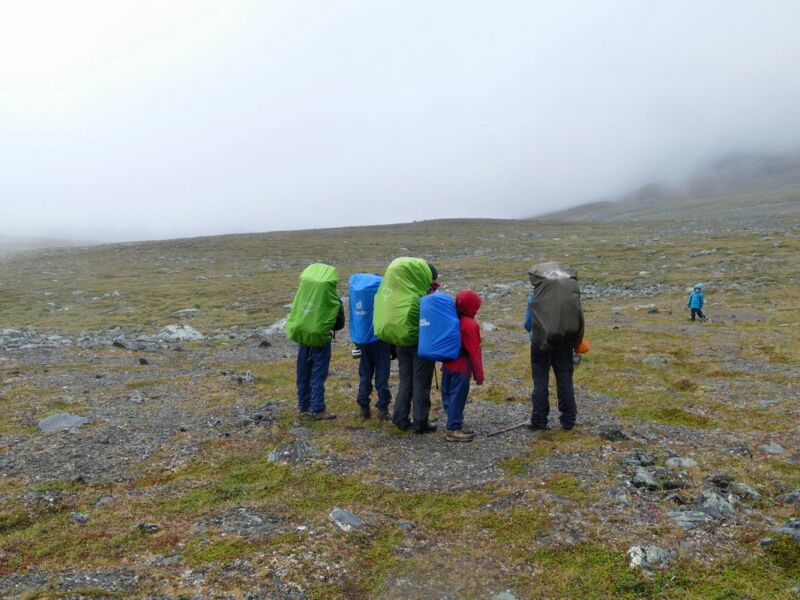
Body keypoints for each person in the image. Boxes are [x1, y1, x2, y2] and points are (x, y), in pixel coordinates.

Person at [393, 263, 439, 434]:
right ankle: (420, 423)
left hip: (402, 341)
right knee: (421, 383)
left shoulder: (404, 290)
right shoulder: (428, 295)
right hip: (422, 344)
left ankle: (400, 418)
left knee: (405, 381)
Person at [524, 291, 578, 431]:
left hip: (540, 344)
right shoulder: (567, 296)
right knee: (565, 380)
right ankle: (568, 421)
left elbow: (528, 324)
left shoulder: (534, 298)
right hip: (564, 343)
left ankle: (539, 420)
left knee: (540, 382)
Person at [441, 289, 485, 442]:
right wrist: (479, 375)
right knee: (457, 397)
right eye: (476, 306)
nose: (477, 309)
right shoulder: (470, 324)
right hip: (461, 368)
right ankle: (453, 429)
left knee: (448, 395)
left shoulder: (451, 319)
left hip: (447, 364)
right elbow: (474, 351)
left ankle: (455, 421)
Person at [296, 299, 345, 420]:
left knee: (303, 370)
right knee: (318, 372)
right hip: (322, 336)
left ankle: (304, 405)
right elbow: (339, 322)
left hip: (305, 335)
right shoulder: (329, 294)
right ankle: (318, 408)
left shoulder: (304, 292)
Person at [356, 340, 393, 420]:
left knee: (365, 374)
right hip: (381, 340)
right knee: (382, 375)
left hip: (365, 340)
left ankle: (364, 407)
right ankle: (383, 409)